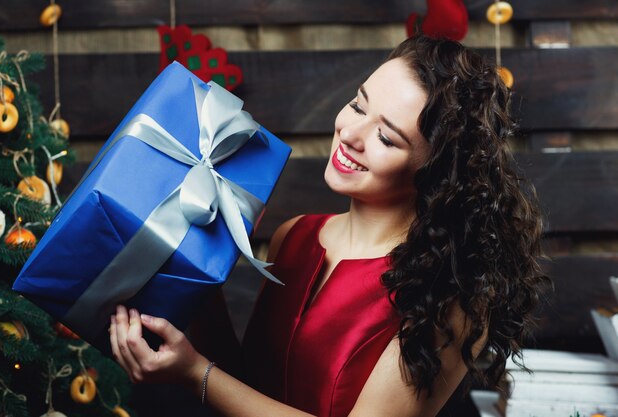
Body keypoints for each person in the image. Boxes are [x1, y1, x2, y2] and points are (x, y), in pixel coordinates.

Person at [110, 33, 549, 417]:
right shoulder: (294, 236)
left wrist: (193, 372)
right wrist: (191, 272)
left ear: (437, 171)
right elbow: (245, 389)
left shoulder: (448, 295)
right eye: (358, 105)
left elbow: (208, 379)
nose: (351, 134)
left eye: (385, 137)